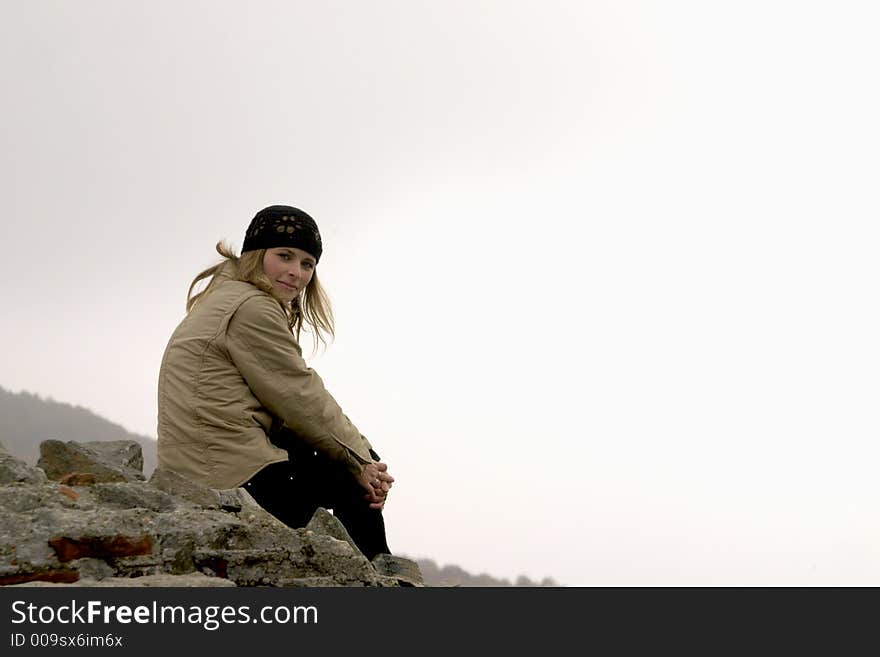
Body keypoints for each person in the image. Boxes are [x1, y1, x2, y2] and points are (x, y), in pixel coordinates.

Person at [157, 204, 394, 560]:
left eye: (307, 264)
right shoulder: (252, 308)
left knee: (341, 463)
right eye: (284, 256)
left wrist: (360, 460)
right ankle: (382, 577)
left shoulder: (227, 295)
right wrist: (363, 460)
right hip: (227, 473)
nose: (295, 272)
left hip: (206, 462)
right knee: (351, 481)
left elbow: (285, 404)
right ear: (256, 253)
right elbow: (300, 397)